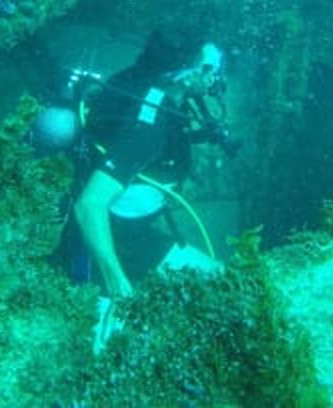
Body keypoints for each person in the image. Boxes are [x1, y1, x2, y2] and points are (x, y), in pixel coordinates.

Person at [62, 28, 233, 298]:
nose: (214, 78)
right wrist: (117, 283)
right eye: (209, 69)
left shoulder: (149, 88)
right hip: (118, 242)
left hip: (133, 225)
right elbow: (89, 205)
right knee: (222, 286)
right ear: (187, 73)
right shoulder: (148, 128)